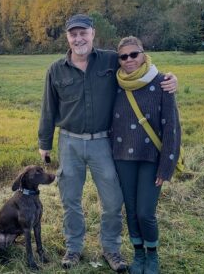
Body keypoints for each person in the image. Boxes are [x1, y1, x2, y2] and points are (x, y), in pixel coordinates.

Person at [37, 14, 177, 272]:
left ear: (92, 34)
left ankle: (111, 248)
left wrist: (169, 79)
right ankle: (74, 247)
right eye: (73, 34)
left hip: (103, 142)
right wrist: (44, 143)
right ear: (67, 37)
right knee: (70, 199)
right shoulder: (55, 70)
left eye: (83, 33)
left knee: (113, 200)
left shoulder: (111, 59)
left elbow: (139, 63)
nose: (78, 38)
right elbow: (48, 108)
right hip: (69, 142)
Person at [111, 36, 181, 274]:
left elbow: (171, 128)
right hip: (122, 158)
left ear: (143, 54)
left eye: (134, 54)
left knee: (145, 212)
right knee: (130, 211)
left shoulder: (162, 82)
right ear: (118, 59)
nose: (129, 60)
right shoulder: (115, 83)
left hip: (152, 158)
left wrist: (166, 167)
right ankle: (138, 254)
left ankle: (152, 255)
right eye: (123, 56)